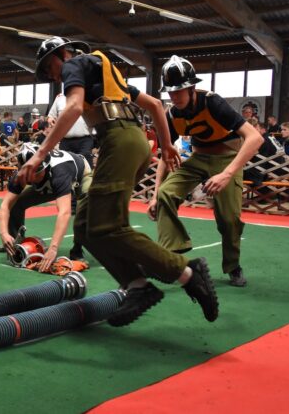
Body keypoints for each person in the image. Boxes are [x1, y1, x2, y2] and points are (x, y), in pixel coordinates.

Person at [18, 36, 218, 327]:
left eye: (50, 68)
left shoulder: (74, 64)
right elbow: (154, 105)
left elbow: (73, 107)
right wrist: (165, 144)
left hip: (119, 140)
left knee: (108, 227)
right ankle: (137, 285)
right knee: (85, 226)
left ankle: (187, 272)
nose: (53, 76)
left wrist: (39, 155)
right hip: (132, 142)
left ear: (62, 54)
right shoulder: (103, 73)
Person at [149, 55, 262, 288]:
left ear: (192, 87)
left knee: (229, 219)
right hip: (198, 158)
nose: (174, 96)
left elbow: (255, 138)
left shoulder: (213, 103)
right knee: (165, 194)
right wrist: (155, 193)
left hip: (227, 159)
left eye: (179, 90)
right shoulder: (172, 114)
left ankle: (233, 266)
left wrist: (227, 174)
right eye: (170, 91)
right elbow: (166, 155)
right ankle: (173, 255)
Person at [0, 143, 91, 265]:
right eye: (29, 173)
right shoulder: (21, 175)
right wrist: (4, 233)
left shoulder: (60, 172)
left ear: (46, 166)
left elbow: (64, 212)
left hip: (80, 174)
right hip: (50, 184)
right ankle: (13, 244)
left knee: (84, 209)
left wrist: (53, 248)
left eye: (37, 172)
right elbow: (6, 205)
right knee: (16, 203)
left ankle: (77, 250)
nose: (33, 177)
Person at [49, 92, 94, 160]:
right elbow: (51, 116)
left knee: (85, 163)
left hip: (85, 140)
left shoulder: (89, 95)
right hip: (65, 141)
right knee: (66, 164)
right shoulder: (60, 98)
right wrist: (51, 120)